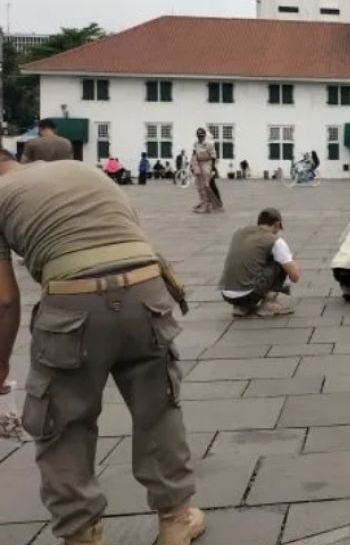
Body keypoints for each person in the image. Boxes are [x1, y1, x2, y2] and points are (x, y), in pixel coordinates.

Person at [0, 149, 205, 545]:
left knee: (63, 420)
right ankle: (177, 518)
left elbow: (5, 300)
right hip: (147, 292)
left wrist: (1, 363)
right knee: (157, 408)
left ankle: (82, 533)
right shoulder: (83, 170)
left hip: (73, 303)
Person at [218, 208, 299, 318]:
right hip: (249, 293)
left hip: (226, 294)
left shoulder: (239, 232)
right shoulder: (274, 240)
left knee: (256, 261)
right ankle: (268, 304)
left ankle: (241, 307)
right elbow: (295, 276)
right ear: (277, 224)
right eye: (278, 228)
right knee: (279, 263)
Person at [190, 128, 219, 213]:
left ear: (205, 136)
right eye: (199, 136)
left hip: (207, 163)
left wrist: (213, 168)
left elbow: (213, 156)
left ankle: (207, 206)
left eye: (202, 136)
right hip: (198, 163)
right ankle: (202, 202)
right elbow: (194, 154)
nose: (200, 138)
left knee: (205, 185)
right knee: (199, 186)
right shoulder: (196, 144)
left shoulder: (209, 144)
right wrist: (191, 165)